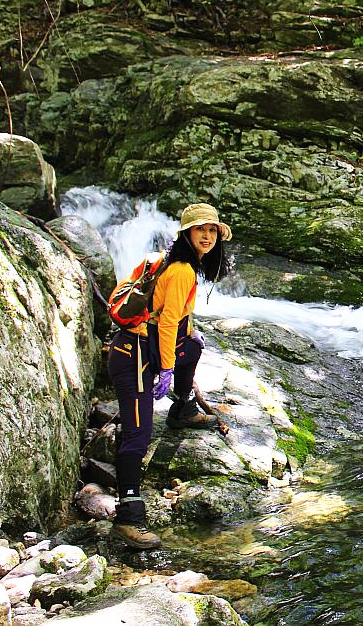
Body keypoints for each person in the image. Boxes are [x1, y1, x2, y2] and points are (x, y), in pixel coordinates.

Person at [105, 203, 232, 549]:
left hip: (142, 348)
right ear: (187, 234)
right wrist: (165, 368)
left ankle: (183, 410)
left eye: (212, 230)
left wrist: (186, 340)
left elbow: (172, 317)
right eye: (200, 230)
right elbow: (166, 323)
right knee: (138, 434)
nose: (207, 236)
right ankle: (128, 517)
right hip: (133, 355)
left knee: (192, 346)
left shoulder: (169, 261)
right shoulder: (182, 271)